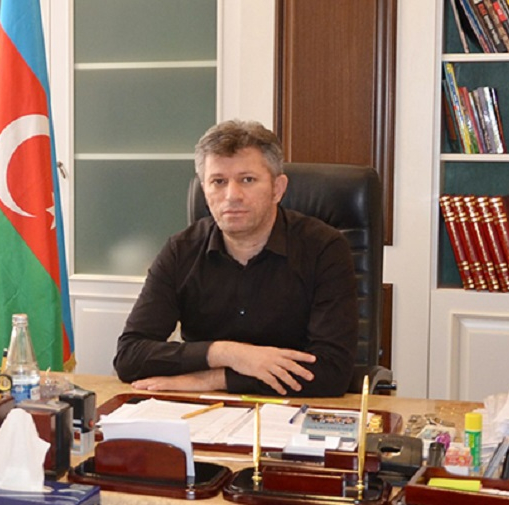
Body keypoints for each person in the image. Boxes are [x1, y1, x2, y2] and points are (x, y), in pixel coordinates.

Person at [113, 119, 358, 397]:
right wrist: (227, 353)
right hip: (203, 413)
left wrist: (215, 379)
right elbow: (130, 356)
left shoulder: (324, 249)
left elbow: (332, 372)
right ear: (204, 190)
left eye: (247, 180)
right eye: (218, 182)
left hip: (293, 410)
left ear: (277, 189)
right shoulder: (181, 250)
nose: (232, 196)